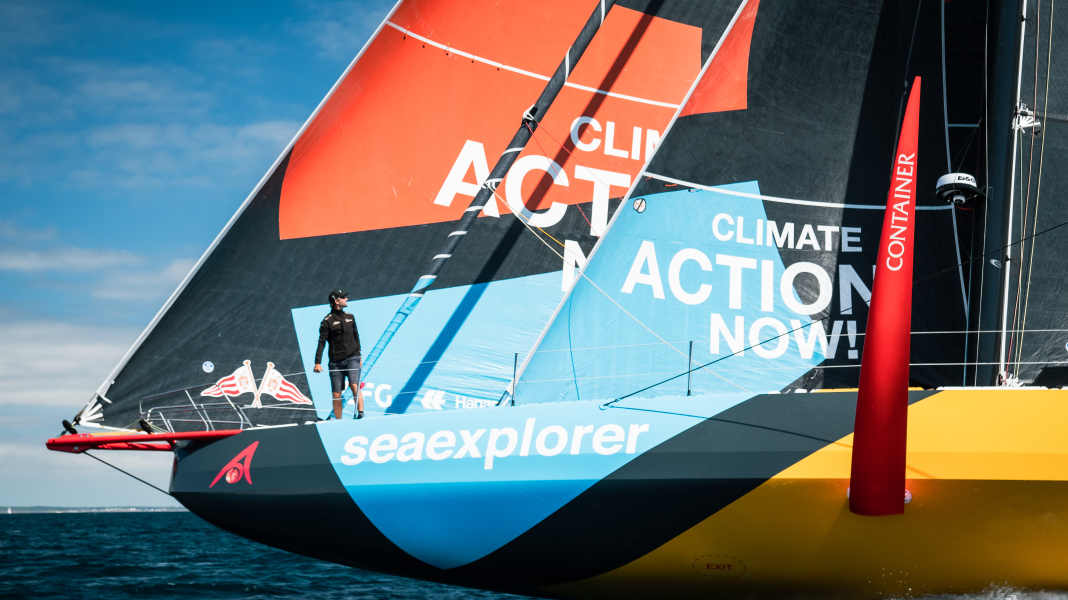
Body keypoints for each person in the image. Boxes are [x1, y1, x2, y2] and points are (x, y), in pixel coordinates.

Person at [313, 288, 363, 419]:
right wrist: (317, 362)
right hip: (335, 362)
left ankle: (361, 413)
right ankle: (338, 420)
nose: (346, 299)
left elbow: (356, 336)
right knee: (336, 394)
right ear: (336, 301)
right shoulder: (326, 321)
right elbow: (321, 342)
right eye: (343, 297)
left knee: (354, 385)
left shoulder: (350, 317)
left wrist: (360, 355)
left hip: (353, 357)